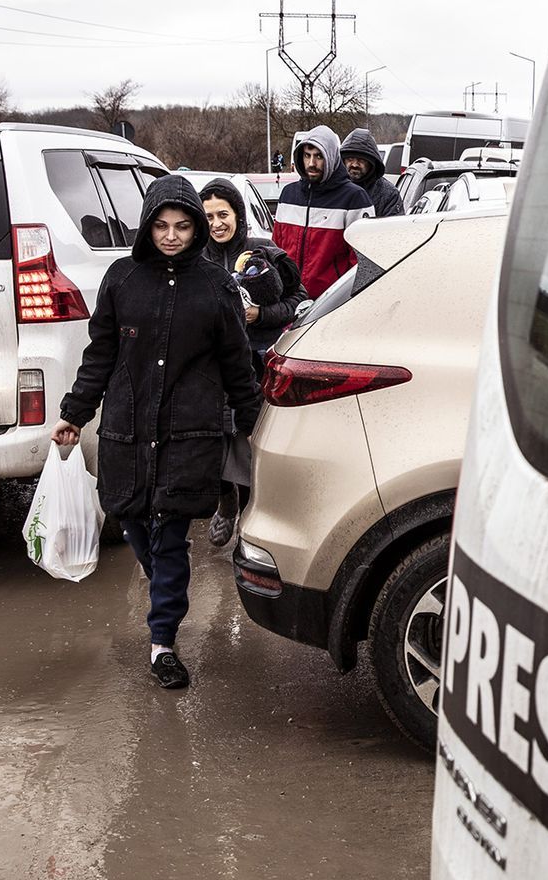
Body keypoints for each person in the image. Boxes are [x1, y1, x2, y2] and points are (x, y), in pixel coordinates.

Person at [50, 176, 261, 690]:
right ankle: (163, 583)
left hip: (189, 431)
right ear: (147, 226)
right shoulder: (122, 279)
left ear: (195, 230)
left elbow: (237, 363)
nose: (172, 236)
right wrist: (75, 413)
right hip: (128, 424)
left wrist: (254, 423)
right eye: (162, 226)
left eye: (183, 227)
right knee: (130, 516)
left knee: (168, 536)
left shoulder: (215, 286)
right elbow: (100, 353)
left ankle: (162, 642)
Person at [198, 178, 302, 546]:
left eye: (222, 214)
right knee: (217, 440)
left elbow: (298, 300)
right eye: (208, 216)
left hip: (256, 364)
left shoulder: (265, 251)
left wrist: (261, 314)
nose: (216, 223)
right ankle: (225, 504)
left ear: (238, 215)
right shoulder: (197, 258)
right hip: (212, 368)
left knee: (249, 441)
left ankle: (249, 513)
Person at [270, 125, 372, 298]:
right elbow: (275, 250)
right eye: (307, 155)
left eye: (319, 156)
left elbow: (362, 263)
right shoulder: (288, 194)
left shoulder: (355, 198)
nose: (311, 163)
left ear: (331, 156)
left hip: (330, 304)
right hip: (288, 302)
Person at [340, 128, 405, 218]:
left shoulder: (388, 195)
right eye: (350, 159)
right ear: (343, 161)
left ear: (371, 163)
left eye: (361, 160)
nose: (355, 165)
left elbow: (394, 229)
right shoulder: (332, 188)